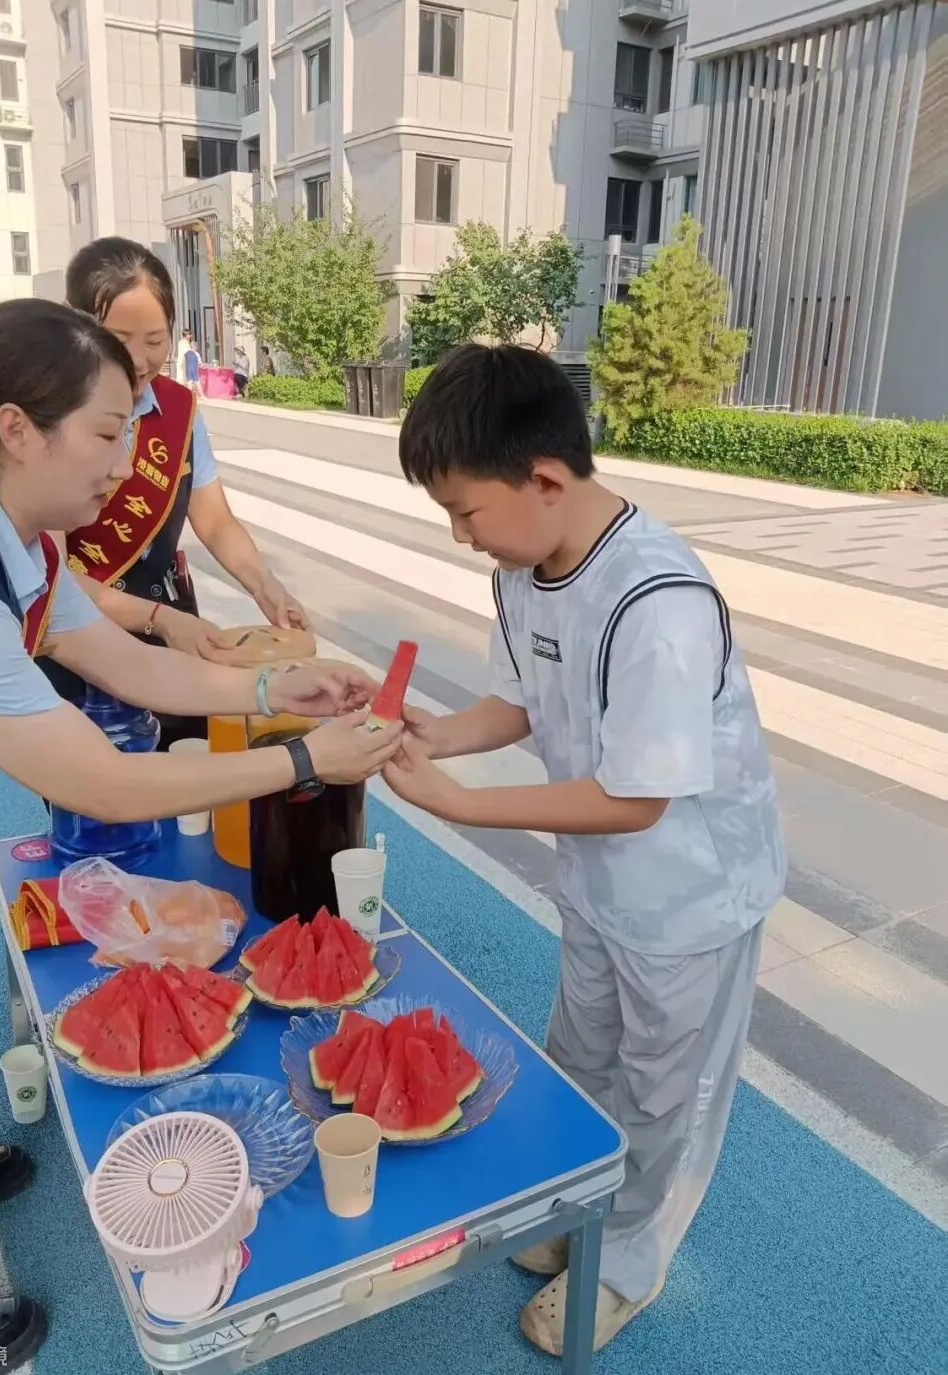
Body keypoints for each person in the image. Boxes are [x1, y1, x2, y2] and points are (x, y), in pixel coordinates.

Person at [0, 298, 401, 1373]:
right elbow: (103, 781)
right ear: (17, 429)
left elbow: (127, 662)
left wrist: (272, 688)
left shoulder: (10, 530)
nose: (128, 463)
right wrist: (306, 761)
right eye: (109, 432)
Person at [383, 344, 785, 1357]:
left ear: (545, 479)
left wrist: (463, 804)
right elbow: (520, 699)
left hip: (691, 899)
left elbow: (636, 798)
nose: (462, 535)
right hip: (601, 879)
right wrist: (437, 734)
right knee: (581, 1052)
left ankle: (628, 1261)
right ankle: (579, 1205)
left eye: (466, 512)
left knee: (665, 1091)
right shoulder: (526, 569)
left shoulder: (659, 603)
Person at [51, 236, 307, 750]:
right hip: (77, 645)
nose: (140, 360)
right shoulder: (48, 414)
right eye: (119, 339)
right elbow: (52, 576)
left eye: (156, 339)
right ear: (75, 325)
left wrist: (265, 586)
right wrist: (159, 621)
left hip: (167, 635)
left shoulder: (178, 410)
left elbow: (215, 521)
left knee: (187, 764)